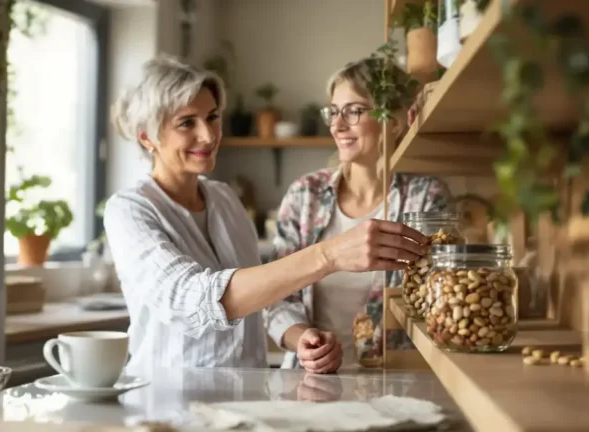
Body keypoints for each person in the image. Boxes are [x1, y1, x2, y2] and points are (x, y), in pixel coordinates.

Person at [104, 55, 430, 374]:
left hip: (245, 399)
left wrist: (302, 336)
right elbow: (190, 300)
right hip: (168, 400)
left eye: (213, 117)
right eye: (187, 122)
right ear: (147, 137)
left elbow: (265, 297)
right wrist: (330, 254)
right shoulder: (129, 211)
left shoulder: (225, 199)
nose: (208, 135)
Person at [265, 58, 452, 371]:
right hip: (312, 382)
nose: (337, 125)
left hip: (398, 382)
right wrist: (303, 342)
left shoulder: (424, 198)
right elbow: (276, 295)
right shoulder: (305, 195)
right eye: (333, 112)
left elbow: (442, 294)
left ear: (393, 120)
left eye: (353, 111)